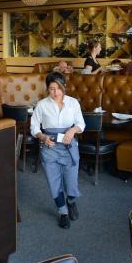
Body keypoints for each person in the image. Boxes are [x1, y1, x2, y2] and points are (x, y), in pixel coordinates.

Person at [30, 73, 85, 229]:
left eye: (58, 88)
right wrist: (42, 137)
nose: (55, 93)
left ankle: (71, 201)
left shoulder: (73, 103)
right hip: (50, 147)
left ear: (64, 87)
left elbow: (81, 124)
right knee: (54, 183)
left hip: (69, 147)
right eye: (51, 89)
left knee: (71, 183)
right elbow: (34, 126)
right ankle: (63, 212)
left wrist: (72, 130)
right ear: (47, 89)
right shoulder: (42, 105)